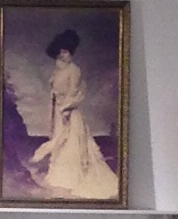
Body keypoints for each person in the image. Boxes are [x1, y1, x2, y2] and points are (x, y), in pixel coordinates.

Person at [29, 28, 118, 199]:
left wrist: (66, 110)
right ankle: (60, 178)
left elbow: (74, 93)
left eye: (68, 52)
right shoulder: (58, 71)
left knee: (71, 143)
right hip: (59, 112)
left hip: (70, 112)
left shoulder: (74, 70)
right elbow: (54, 94)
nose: (65, 55)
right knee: (60, 144)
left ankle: (74, 179)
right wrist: (56, 112)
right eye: (62, 52)